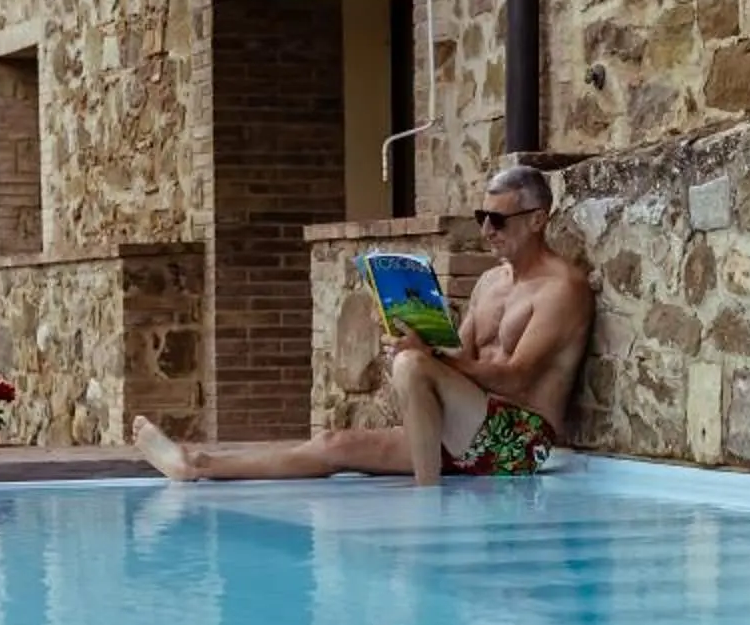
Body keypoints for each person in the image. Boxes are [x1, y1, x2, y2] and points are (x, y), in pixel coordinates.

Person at [131, 166, 595, 485]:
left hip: (520, 446)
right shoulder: (491, 283)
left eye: (498, 219)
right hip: (466, 434)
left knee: (414, 365)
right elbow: (463, 356)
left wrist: (426, 355)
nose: (487, 230)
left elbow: (516, 376)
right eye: (481, 218)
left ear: (537, 220)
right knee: (335, 443)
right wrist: (417, 327)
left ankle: (425, 498)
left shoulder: (561, 289)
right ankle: (197, 464)